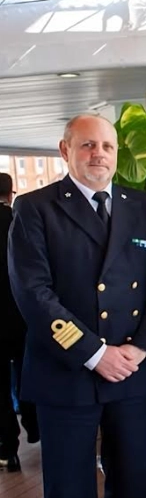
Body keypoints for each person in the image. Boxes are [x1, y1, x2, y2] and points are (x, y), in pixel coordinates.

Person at [8, 115, 146, 498]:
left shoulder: (145, 208)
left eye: (106, 146)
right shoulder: (34, 208)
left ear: (117, 152)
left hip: (133, 373)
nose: (98, 154)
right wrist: (95, 353)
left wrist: (143, 347)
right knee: (70, 494)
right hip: (69, 374)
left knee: (130, 487)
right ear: (65, 150)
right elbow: (34, 294)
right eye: (87, 145)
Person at [1, 171, 38, 473]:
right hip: (23, 315)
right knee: (27, 372)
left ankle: (8, 449)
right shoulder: (19, 221)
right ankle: (34, 426)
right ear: (10, 194)